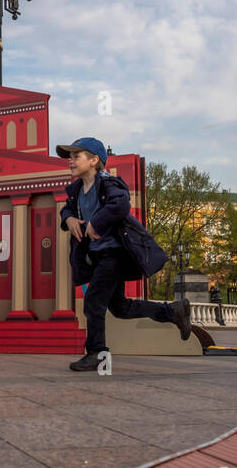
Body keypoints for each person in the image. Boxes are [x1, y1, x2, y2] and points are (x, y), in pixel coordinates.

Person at [56, 137, 192, 371]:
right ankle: (173, 311)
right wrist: (68, 219)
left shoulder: (108, 183)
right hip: (97, 255)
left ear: (94, 160)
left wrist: (96, 222)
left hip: (114, 253)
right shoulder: (77, 190)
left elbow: (120, 205)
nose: (71, 161)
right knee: (120, 308)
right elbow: (67, 209)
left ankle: (97, 353)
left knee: (94, 300)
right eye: (70, 157)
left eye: (76, 156)